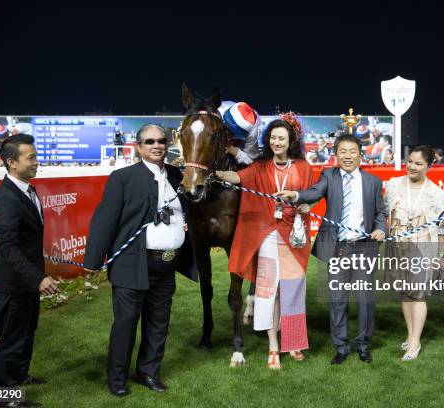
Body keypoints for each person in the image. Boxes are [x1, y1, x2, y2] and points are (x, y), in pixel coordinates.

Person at [84, 124, 197, 396]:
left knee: (159, 323)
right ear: (139, 146)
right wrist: (92, 260)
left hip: (166, 265)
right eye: (149, 142)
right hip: (132, 264)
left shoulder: (175, 175)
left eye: (160, 141)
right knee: (125, 324)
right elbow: (105, 220)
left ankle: (148, 372)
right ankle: (117, 379)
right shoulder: (122, 177)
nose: (156, 146)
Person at [277, 134, 387, 365]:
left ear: (360, 154)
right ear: (336, 155)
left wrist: (381, 229)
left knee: (365, 300)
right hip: (338, 249)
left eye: (352, 151)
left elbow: (381, 213)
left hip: (364, 248)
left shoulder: (373, 182)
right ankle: (341, 347)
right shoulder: (329, 176)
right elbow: (315, 192)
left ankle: (363, 345)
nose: (348, 156)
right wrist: (296, 195)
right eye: (343, 152)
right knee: (337, 300)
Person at [215, 114, 315, 370]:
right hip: (269, 237)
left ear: (291, 140)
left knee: (291, 291)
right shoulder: (260, 167)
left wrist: (304, 203)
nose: (276, 142)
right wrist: (213, 172)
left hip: (294, 238)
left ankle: (292, 342)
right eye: (272, 138)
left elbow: (310, 195)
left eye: (281, 138)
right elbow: (238, 178)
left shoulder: (303, 167)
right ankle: (273, 345)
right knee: (268, 290)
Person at [0, 134, 59, 408]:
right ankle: (4, 399)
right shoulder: (7, 199)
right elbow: (8, 248)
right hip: (14, 286)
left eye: (35, 156)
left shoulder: (27, 190)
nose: (36, 162)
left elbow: (24, 240)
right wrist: (38, 278)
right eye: (30, 157)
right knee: (12, 341)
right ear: (11, 162)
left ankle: (20, 376)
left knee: (26, 333)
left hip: (26, 283)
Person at [383, 145, 444, 361]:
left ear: (429, 165)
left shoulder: (436, 193)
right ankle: (411, 335)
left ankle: (414, 342)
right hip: (397, 247)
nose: (411, 166)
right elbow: (385, 211)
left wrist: (441, 256)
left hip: (423, 249)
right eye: (410, 161)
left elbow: (442, 229)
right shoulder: (393, 185)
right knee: (405, 292)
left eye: (418, 163)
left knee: (418, 294)